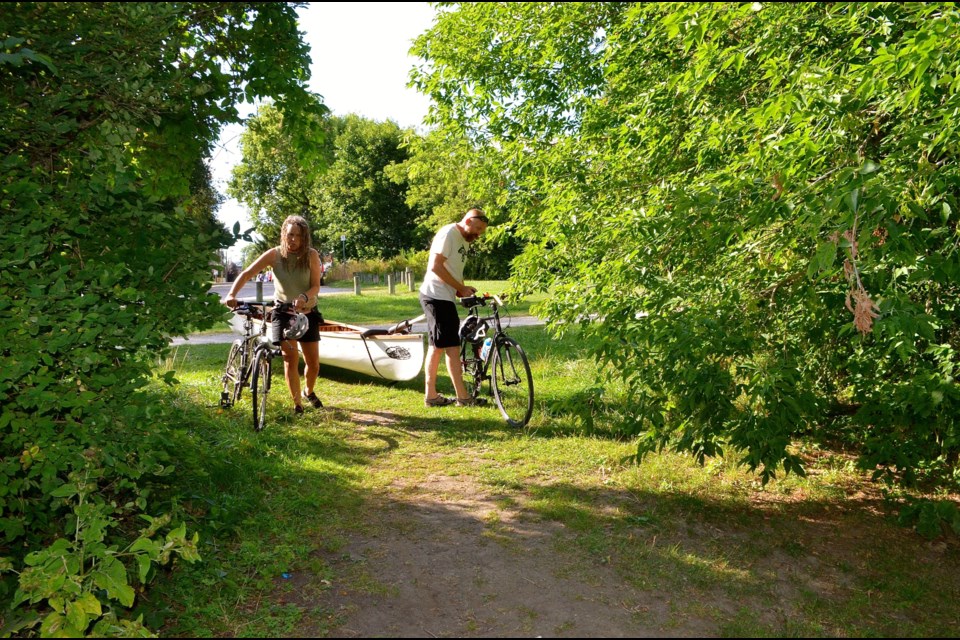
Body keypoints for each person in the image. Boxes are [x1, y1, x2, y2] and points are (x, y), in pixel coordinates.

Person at [223, 216, 324, 415]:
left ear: (305, 238)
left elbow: (316, 286)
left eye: (298, 236)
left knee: (313, 364)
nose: (293, 239)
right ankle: (297, 404)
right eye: (290, 235)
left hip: (307, 313)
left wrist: (304, 296)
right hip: (283, 313)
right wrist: (231, 294)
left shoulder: (311, 255)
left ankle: (308, 391)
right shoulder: (274, 255)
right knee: (290, 358)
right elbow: (246, 274)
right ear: (284, 234)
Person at [418, 208, 490, 407]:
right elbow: (435, 266)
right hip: (435, 296)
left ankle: (433, 396)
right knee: (450, 347)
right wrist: (459, 287)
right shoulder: (449, 233)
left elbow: (452, 269)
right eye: (476, 229)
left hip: (444, 297)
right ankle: (462, 398)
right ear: (467, 220)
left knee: (438, 347)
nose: (477, 234)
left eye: (480, 232)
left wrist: (460, 290)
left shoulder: (462, 240)